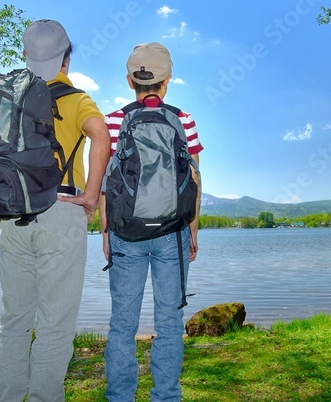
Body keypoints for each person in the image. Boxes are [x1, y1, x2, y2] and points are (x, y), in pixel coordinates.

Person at [0, 19, 110, 402]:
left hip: (14, 215)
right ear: (66, 58)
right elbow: (101, 135)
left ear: (26, 55)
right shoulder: (76, 99)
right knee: (55, 324)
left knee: (14, 319)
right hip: (61, 209)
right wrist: (91, 195)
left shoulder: (9, 100)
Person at [101, 42, 203, 402]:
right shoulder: (184, 119)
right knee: (170, 322)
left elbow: (106, 183)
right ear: (167, 80)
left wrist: (105, 231)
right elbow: (194, 179)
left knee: (122, 322)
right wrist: (192, 230)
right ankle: (166, 396)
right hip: (173, 232)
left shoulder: (113, 120)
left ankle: (120, 397)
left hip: (125, 232)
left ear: (130, 81)